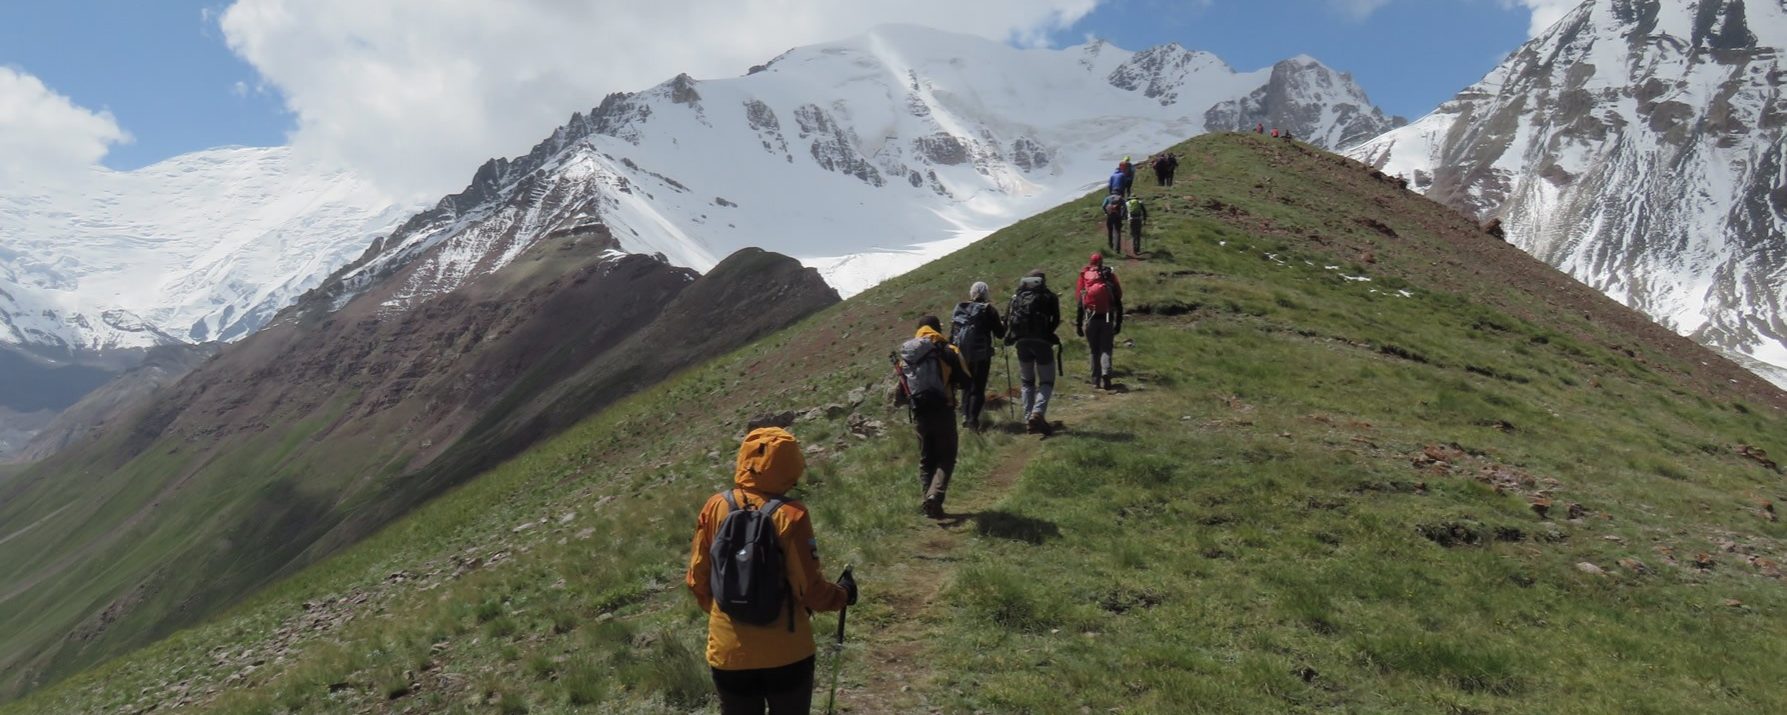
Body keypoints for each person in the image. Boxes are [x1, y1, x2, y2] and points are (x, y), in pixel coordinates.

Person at [687, 427, 857, 715]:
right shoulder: (792, 514)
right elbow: (811, 591)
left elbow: (696, 579)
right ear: (792, 465)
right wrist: (843, 595)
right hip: (788, 652)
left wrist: (727, 616)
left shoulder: (715, 506)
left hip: (729, 652)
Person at [898, 316, 972, 517]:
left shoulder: (907, 355)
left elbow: (901, 393)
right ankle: (934, 497)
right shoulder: (948, 350)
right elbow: (966, 381)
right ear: (938, 329)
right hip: (943, 409)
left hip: (920, 413)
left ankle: (929, 505)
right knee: (947, 456)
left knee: (926, 459)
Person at [1004, 271, 1061, 436]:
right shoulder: (1049, 296)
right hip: (1042, 342)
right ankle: (1037, 413)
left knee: (1027, 382)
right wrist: (1048, 333)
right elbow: (1055, 320)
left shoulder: (1016, 297)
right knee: (1047, 381)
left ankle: (1029, 418)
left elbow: (1007, 319)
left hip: (1021, 343)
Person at [950, 283, 1005, 432]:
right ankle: (972, 420)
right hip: (981, 354)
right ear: (986, 293)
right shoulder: (988, 309)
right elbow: (1000, 334)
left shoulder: (959, 308)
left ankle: (965, 416)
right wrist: (1004, 322)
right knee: (978, 387)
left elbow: (952, 333)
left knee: (967, 385)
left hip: (961, 354)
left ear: (971, 293)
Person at [1075, 253, 1124, 390]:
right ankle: (1106, 373)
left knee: (1093, 350)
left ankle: (1095, 381)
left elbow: (1080, 303)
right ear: (1102, 262)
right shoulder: (1109, 276)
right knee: (1106, 348)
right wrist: (1118, 322)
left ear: (1090, 262)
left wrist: (1079, 325)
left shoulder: (1085, 277)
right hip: (1107, 317)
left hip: (1090, 317)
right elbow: (1118, 299)